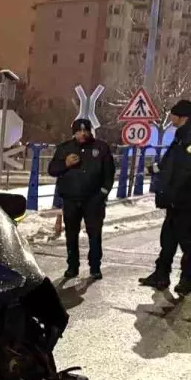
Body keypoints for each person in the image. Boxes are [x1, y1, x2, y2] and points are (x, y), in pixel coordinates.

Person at [139, 99, 191, 296]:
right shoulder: (183, 135)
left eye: (172, 115)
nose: (170, 118)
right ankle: (161, 274)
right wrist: (154, 169)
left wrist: (174, 189)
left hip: (186, 198)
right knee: (168, 237)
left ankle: (186, 279)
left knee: (186, 240)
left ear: (181, 116)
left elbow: (190, 168)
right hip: (176, 198)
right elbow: (172, 162)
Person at [49, 118, 116, 280]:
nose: (83, 134)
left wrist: (102, 194)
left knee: (94, 233)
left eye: (86, 130)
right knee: (71, 234)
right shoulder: (65, 148)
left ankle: (95, 266)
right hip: (71, 199)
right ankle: (72, 266)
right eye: (79, 131)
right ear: (74, 133)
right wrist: (65, 163)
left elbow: (109, 174)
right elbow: (52, 170)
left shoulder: (101, 148)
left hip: (94, 200)